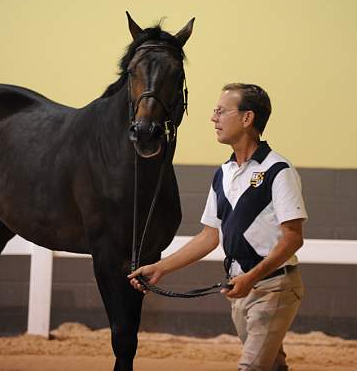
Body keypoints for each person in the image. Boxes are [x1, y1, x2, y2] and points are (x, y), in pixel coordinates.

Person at [128, 83, 307, 371]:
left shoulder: (278, 171)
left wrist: (252, 277)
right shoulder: (222, 174)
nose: (214, 118)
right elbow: (209, 237)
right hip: (241, 288)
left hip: (274, 287)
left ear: (247, 118)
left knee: (250, 367)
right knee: (272, 366)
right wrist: (161, 267)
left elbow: (293, 239)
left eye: (221, 111)